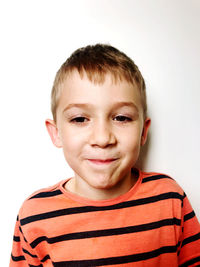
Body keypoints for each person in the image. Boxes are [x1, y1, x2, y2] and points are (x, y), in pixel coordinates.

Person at [10, 44, 200, 267]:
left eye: (121, 118)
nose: (102, 138)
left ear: (143, 131)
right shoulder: (34, 214)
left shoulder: (169, 199)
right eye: (80, 119)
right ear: (56, 133)